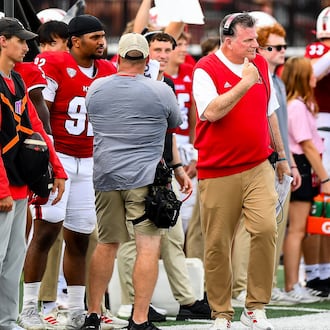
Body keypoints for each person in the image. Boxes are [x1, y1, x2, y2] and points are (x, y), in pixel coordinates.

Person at [18, 15, 119, 330]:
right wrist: (47, 154)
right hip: (59, 155)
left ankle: (76, 310)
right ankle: (29, 308)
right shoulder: (54, 63)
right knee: (45, 231)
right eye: (95, 37)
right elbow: (39, 109)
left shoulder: (107, 70)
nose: (102, 42)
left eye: (103, 36)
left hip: (89, 160)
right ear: (75, 40)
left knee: (80, 238)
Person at [192, 12, 291, 330]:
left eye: (255, 39)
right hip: (218, 170)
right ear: (229, 41)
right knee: (218, 243)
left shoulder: (259, 63)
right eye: (248, 40)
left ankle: (256, 306)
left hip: (257, 164)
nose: (255, 46)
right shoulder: (205, 68)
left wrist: (282, 156)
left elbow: (270, 111)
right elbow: (210, 112)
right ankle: (221, 312)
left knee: (265, 229)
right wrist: (244, 83)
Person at [80, 32, 182, 330]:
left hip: (106, 174)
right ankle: (139, 319)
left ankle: (93, 314)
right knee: (147, 248)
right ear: (148, 59)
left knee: (106, 244)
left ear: (118, 58)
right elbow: (174, 124)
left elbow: (92, 115)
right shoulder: (160, 90)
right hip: (146, 177)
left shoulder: (97, 87)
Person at [116, 30, 211, 323]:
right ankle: (130, 303)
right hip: (131, 169)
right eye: (157, 48)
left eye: (167, 49)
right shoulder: (125, 81)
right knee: (133, 239)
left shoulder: (165, 82)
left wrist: (178, 167)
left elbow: (169, 132)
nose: (163, 54)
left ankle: (187, 299)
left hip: (161, 170)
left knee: (172, 234)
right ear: (145, 52)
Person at [0, 17, 66, 329]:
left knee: (13, 261)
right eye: (21, 41)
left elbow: (36, 128)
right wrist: (1, 189)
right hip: (3, 188)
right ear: (2, 40)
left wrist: (57, 168)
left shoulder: (18, 81)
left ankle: (7, 319)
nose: (27, 47)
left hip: (19, 184)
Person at [231, 17, 303, 306]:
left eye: (283, 46)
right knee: (250, 228)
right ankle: (239, 287)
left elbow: (280, 126)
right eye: (273, 47)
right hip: (258, 159)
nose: (281, 52)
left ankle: (267, 285)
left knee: (273, 228)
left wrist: (288, 161)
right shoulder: (251, 76)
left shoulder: (279, 83)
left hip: (279, 160)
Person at [281, 56, 330, 301]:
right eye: (309, 73)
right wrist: (326, 179)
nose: (316, 77)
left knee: (300, 229)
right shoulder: (297, 106)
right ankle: (292, 285)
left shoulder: (299, 103)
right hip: (300, 165)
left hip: (302, 165)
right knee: (297, 230)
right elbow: (307, 146)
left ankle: (294, 284)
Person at [304, 6, 330, 296]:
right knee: (319, 202)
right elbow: (312, 73)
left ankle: (326, 268)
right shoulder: (315, 51)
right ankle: (314, 273)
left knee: (328, 205)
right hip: (320, 127)